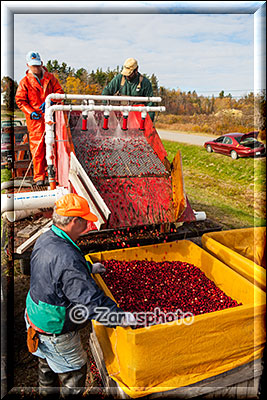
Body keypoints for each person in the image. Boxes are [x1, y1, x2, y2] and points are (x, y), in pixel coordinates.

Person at [25, 193, 136, 397]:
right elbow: (90, 303)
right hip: (54, 328)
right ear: (75, 221)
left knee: (46, 363)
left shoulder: (48, 237)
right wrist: (121, 317)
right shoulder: (67, 259)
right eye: (85, 221)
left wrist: (88, 267)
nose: (87, 225)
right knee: (74, 371)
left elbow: (56, 268)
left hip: (35, 313)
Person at [15, 51, 64, 186]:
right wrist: (31, 112)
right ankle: (39, 177)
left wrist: (51, 101)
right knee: (37, 149)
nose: (36, 68)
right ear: (28, 66)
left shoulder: (51, 78)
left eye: (37, 65)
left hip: (52, 118)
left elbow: (60, 92)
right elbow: (20, 100)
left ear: (41, 64)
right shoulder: (24, 82)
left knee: (55, 145)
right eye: (33, 66)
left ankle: (53, 175)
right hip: (35, 121)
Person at [102, 57, 155, 122]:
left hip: (137, 119)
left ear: (136, 70)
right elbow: (106, 92)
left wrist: (148, 122)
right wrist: (106, 111)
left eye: (129, 74)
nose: (127, 76)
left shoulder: (145, 83)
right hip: (120, 116)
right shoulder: (119, 78)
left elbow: (150, 104)